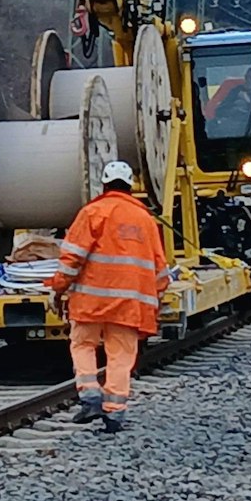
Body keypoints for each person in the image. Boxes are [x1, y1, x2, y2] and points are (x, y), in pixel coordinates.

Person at [46, 160, 169, 433]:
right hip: (128, 306)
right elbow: (161, 270)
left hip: (90, 301)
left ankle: (90, 397)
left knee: (83, 345)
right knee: (121, 356)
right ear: (131, 187)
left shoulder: (92, 213)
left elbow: (71, 259)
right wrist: (153, 299)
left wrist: (58, 287)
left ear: (103, 184)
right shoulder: (145, 220)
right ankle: (114, 415)